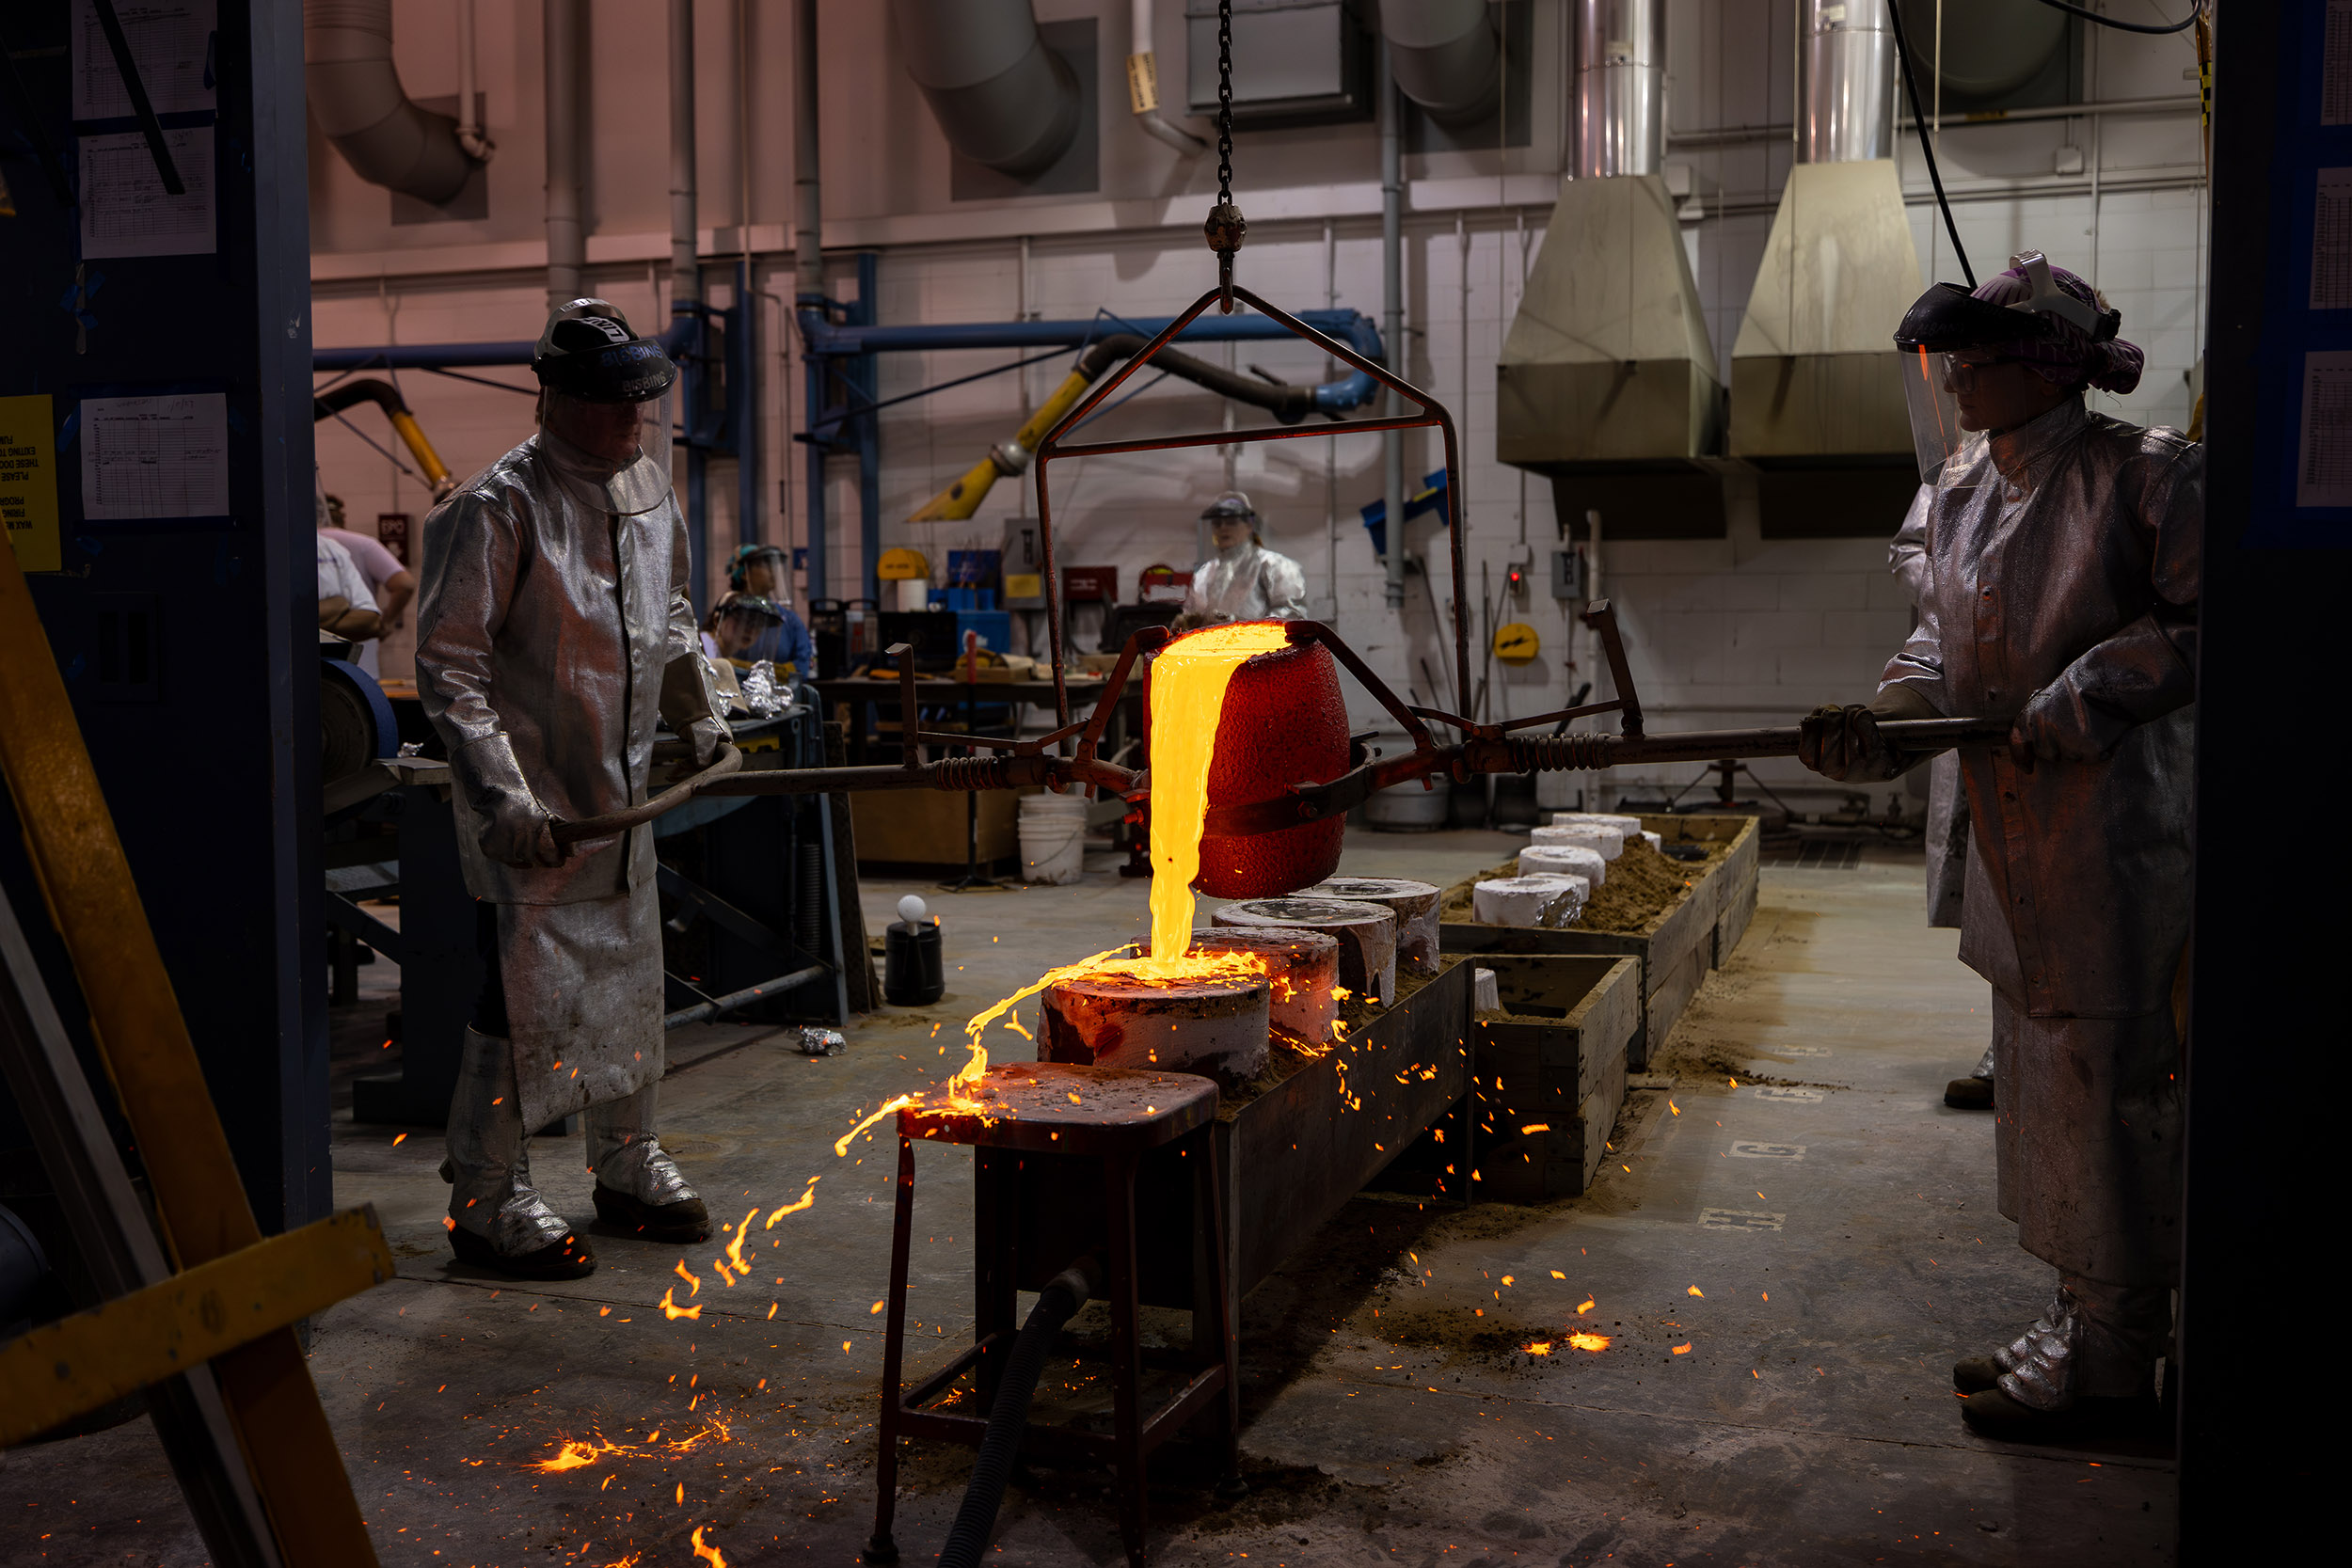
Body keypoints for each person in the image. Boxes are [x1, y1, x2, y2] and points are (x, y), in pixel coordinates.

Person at [1798, 252, 2197, 1440]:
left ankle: (2122, 1355)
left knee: (2113, 1091)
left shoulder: (2147, 477)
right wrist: (1886, 729)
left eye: (1985, 353)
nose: (1960, 374)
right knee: (2042, 1086)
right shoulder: (1963, 488)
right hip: (2014, 843)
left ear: (2055, 366)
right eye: (1956, 355)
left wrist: (2083, 693)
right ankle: (2079, 1312)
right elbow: (1937, 649)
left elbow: (2205, 617)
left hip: (2114, 836)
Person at [414, 298, 731, 1281]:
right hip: (540, 809)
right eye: (610, 403)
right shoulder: (497, 506)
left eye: (639, 401)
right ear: (552, 398)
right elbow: (450, 666)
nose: (631, 421)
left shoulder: (645, 490)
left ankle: (625, 1161)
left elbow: (671, 617)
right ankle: (485, 1194)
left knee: (631, 979)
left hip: (623, 797)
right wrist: (502, 794)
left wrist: (700, 711)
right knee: (519, 998)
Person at [1888, 504, 1993, 1112]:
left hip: (2051, 724)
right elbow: (1906, 547)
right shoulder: (1956, 475)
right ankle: (2008, 1048)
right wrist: (1955, 587)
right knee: (1991, 893)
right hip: (1971, 693)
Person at [1172, 491, 1309, 629]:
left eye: (1231, 521)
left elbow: (1293, 618)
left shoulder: (1277, 566)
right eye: (1217, 523)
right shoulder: (1204, 574)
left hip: (1262, 650)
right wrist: (1186, 624)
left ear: (1249, 526)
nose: (1223, 528)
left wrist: (1238, 624)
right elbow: (1191, 613)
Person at [319, 489, 416, 676]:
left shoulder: (295, 543)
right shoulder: (362, 544)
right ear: (342, 516)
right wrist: (385, 623)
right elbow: (404, 584)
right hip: (360, 661)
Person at [723, 543, 818, 680]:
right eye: (763, 565)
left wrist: (745, 668)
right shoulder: (730, 613)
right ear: (745, 573)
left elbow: (802, 668)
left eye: (772, 565)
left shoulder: (788, 619)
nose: (772, 571)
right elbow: (720, 663)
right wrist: (780, 671)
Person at [316, 529, 381, 644]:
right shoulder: (275, 550)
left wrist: (304, 629)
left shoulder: (332, 548)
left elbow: (371, 621)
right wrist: (337, 605)